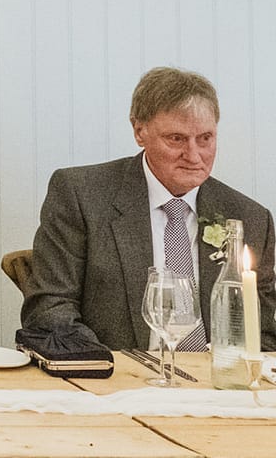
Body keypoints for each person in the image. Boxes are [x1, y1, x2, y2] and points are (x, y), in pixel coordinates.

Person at [23, 66, 276, 351]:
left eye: (205, 138)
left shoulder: (249, 218)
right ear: (139, 130)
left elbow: (263, 335)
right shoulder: (81, 195)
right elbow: (50, 310)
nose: (193, 156)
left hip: (218, 387)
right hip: (115, 384)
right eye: (176, 139)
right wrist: (115, 371)